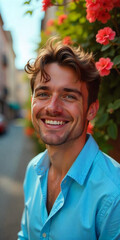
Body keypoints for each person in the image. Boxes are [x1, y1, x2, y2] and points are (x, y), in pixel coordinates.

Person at [18, 37, 120, 240]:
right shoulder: (33, 169)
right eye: (43, 94)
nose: (52, 107)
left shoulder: (114, 193)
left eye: (69, 96)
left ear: (91, 109)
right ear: (32, 102)